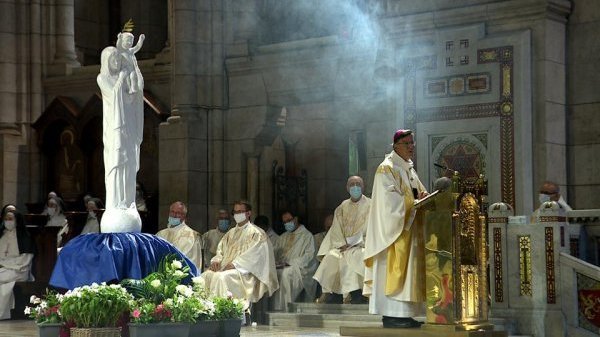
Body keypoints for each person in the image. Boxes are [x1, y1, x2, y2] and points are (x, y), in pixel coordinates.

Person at [363, 129, 428, 329]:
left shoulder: (408, 168)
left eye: (413, 144)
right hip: (393, 233)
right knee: (393, 269)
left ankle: (405, 314)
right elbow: (388, 203)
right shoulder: (386, 168)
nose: (411, 147)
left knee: (409, 273)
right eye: (407, 144)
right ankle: (392, 314)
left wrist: (425, 197)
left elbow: (419, 191)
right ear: (396, 146)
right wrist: (414, 201)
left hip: (410, 229)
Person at [200, 200, 278, 303]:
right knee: (206, 275)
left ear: (248, 213)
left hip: (245, 273)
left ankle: (223, 312)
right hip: (226, 268)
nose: (237, 214)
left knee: (220, 278)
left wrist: (235, 264)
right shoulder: (230, 233)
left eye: (240, 211)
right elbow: (221, 251)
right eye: (235, 212)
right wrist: (216, 261)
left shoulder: (257, 233)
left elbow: (256, 256)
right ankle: (206, 311)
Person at [97, 43, 143, 212]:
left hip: (127, 128)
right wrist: (123, 78)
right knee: (116, 163)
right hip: (114, 129)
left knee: (128, 163)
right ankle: (116, 202)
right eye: (113, 58)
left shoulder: (124, 79)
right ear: (106, 61)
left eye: (118, 58)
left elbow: (131, 100)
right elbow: (114, 95)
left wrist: (136, 88)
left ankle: (127, 200)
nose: (116, 61)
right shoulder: (102, 78)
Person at [314, 176, 371, 304]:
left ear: (363, 186)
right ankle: (330, 293)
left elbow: (374, 229)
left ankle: (358, 294)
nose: (355, 187)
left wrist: (360, 242)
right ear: (347, 188)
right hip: (344, 246)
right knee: (331, 256)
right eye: (352, 184)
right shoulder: (341, 207)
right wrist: (342, 244)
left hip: (363, 245)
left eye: (358, 184)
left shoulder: (371, 205)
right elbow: (335, 229)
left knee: (357, 255)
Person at [270, 210, 318, 311]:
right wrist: (276, 262)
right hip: (283, 266)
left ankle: (285, 307)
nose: (287, 223)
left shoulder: (307, 236)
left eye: (289, 220)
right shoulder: (283, 237)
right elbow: (276, 254)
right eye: (284, 222)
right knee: (272, 272)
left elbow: (309, 257)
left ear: (296, 219)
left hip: (300, 269)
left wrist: (289, 263)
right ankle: (273, 307)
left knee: (286, 273)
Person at [0, 205, 35, 319]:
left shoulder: (24, 237)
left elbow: (25, 260)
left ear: (16, 220)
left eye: (10, 219)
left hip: (20, 270)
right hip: (5, 268)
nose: (7, 221)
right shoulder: (2, 234)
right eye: (6, 219)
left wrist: (4, 264)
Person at [156, 201, 203, 271]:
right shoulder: (161, 234)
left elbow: (189, 260)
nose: (174, 215)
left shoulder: (191, 235)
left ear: (184, 216)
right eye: (172, 212)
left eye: (178, 213)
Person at [116, 29, 145, 94]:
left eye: (131, 41)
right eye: (127, 41)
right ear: (123, 41)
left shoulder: (130, 51)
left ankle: (133, 88)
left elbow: (137, 47)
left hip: (132, 69)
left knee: (133, 76)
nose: (129, 43)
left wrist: (141, 40)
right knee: (127, 78)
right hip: (124, 69)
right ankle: (129, 89)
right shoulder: (122, 50)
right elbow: (118, 45)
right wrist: (119, 38)